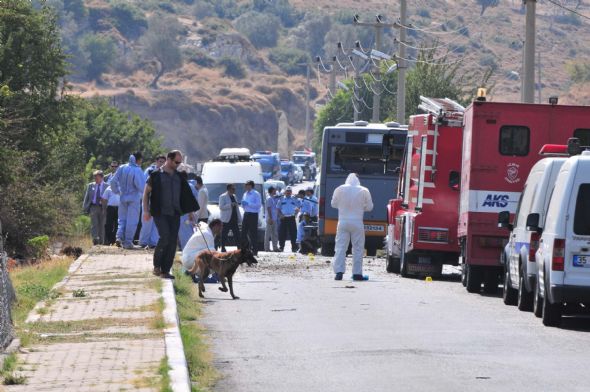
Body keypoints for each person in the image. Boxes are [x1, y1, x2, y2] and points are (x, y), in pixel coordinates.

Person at [143, 150, 199, 279]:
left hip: (175, 213)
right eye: (176, 162)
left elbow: (186, 196)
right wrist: (146, 211)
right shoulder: (155, 175)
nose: (178, 164)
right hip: (159, 212)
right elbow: (146, 194)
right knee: (165, 237)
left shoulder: (179, 177)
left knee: (173, 241)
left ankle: (165, 270)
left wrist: (190, 212)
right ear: (169, 159)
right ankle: (157, 266)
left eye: (179, 162)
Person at [331, 173, 373, 281]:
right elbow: (370, 207)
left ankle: (339, 273)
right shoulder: (364, 190)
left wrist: (343, 206)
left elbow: (333, 204)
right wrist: (360, 207)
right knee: (358, 248)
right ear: (358, 180)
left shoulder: (339, 189)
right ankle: (357, 274)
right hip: (357, 222)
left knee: (340, 248)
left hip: (343, 222)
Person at [110, 153, 145, 249]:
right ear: (138, 160)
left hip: (122, 197)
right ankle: (128, 242)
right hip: (134, 198)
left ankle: (119, 237)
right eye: (141, 160)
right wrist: (146, 195)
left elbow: (113, 181)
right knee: (132, 220)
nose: (141, 162)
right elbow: (142, 186)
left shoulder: (122, 167)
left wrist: (117, 191)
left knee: (122, 219)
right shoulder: (137, 170)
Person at [138, 155, 166, 248]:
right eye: (160, 161)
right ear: (156, 161)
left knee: (156, 224)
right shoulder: (150, 171)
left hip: (159, 201)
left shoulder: (165, 173)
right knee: (147, 222)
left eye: (163, 161)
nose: (161, 163)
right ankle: (143, 242)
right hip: (149, 199)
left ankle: (153, 243)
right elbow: (144, 186)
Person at [83, 170, 107, 245]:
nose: (95, 180)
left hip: (103, 208)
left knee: (102, 225)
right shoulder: (90, 185)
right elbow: (86, 197)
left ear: (102, 177)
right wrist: (85, 207)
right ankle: (95, 240)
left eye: (97, 178)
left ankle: (101, 242)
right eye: (94, 178)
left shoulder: (107, 186)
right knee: (94, 224)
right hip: (93, 207)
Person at [241, 180, 262, 255]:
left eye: (247, 185)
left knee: (253, 233)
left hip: (253, 214)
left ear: (251, 185)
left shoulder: (256, 194)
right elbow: (244, 203)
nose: (245, 186)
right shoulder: (245, 194)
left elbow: (258, 205)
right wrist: (243, 205)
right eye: (245, 185)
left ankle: (255, 250)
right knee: (243, 232)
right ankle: (245, 249)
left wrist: (248, 204)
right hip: (246, 213)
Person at [277, 186, 301, 253]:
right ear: (285, 192)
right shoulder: (281, 199)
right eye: (287, 191)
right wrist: (280, 215)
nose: (288, 192)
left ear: (291, 192)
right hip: (283, 218)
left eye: (289, 191)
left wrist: (296, 212)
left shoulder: (294, 199)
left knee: (293, 234)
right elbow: (278, 208)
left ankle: (294, 248)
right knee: (282, 233)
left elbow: (299, 205)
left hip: (291, 217)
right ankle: (281, 247)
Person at [219, 184, 241, 252]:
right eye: (233, 189)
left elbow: (237, 207)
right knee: (224, 234)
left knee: (237, 234)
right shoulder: (223, 196)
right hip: (226, 219)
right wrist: (230, 205)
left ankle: (239, 248)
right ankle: (223, 248)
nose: (234, 190)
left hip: (234, 218)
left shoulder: (234, 196)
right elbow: (221, 207)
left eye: (234, 189)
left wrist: (239, 217)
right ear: (228, 189)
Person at [264, 186, 280, 252]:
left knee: (274, 234)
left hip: (275, 218)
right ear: (271, 191)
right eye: (274, 190)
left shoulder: (273, 198)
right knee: (268, 234)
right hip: (270, 219)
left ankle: (275, 247)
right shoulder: (269, 198)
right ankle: (267, 248)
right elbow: (269, 208)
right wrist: (270, 218)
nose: (275, 191)